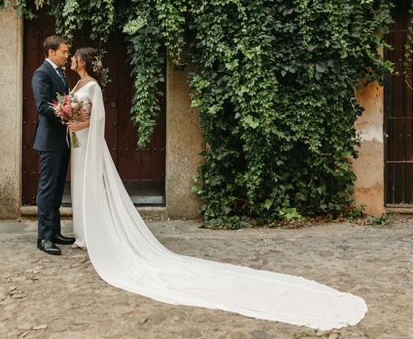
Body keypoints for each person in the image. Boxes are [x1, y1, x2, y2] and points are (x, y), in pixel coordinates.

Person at [65, 46, 367, 331]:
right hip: (77, 144)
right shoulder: (77, 86)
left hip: (89, 143)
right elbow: (76, 111)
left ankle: (95, 232)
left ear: (85, 62)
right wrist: (70, 118)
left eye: (75, 57)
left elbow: (96, 118)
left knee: (92, 185)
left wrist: (82, 124)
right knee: (78, 184)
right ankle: (83, 233)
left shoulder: (93, 86)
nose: (72, 59)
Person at [31, 35, 76, 255]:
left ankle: (55, 232)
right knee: (47, 189)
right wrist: (64, 112)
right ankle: (44, 237)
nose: (67, 56)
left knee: (58, 189)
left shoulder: (60, 72)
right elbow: (42, 107)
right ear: (51, 52)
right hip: (49, 141)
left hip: (62, 140)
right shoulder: (41, 73)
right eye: (64, 52)